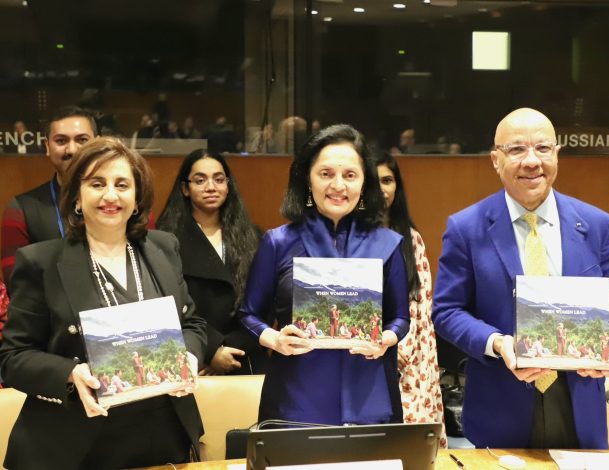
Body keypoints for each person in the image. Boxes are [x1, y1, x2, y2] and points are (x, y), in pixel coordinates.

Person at [0, 136, 207, 469]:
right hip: (74, 445)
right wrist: (70, 373)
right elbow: (13, 358)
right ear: (77, 197)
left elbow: (193, 324)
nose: (110, 195)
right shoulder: (41, 262)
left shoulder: (164, 249)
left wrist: (191, 357)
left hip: (163, 437)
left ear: (137, 199)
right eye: (97, 184)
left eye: (122, 185)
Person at [432, 108, 609, 450]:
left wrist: (604, 335)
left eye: (542, 148)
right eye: (516, 150)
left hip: (578, 401)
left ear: (557, 154)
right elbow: (447, 311)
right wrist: (498, 343)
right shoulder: (466, 228)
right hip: (501, 402)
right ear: (495, 160)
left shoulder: (597, 225)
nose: (531, 161)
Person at [239, 124, 410, 426]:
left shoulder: (387, 243)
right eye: (326, 174)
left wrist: (386, 338)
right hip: (295, 397)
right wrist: (275, 339)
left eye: (350, 175)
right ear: (308, 178)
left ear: (364, 182)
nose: (338, 185)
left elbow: (400, 318)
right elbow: (249, 315)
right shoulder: (278, 242)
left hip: (369, 397)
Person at [157, 149, 265, 375]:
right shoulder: (164, 240)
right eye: (200, 180)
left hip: (245, 355)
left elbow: (265, 300)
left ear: (228, 185)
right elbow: (167, 304)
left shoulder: (253, 236)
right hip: (195, 356)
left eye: (218, 179)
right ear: (185, 188)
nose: (211, 187)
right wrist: (212, 350)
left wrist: (232, 348)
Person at [375, 151, 447, 447]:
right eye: (374, 181)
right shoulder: (348, 236)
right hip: (364, 349)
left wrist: (400, 345)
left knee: (411, 442)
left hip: (409, 352)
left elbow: (421, 300)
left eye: (388, 180)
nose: (382, 189)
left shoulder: (411, 238)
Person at [1, 106, 97, 281]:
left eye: (82, 140)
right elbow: (17, 284)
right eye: (61, 141)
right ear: (47, 146)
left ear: (98, 144)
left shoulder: (124, 203)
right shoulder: (20, 210)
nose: (72, 150)